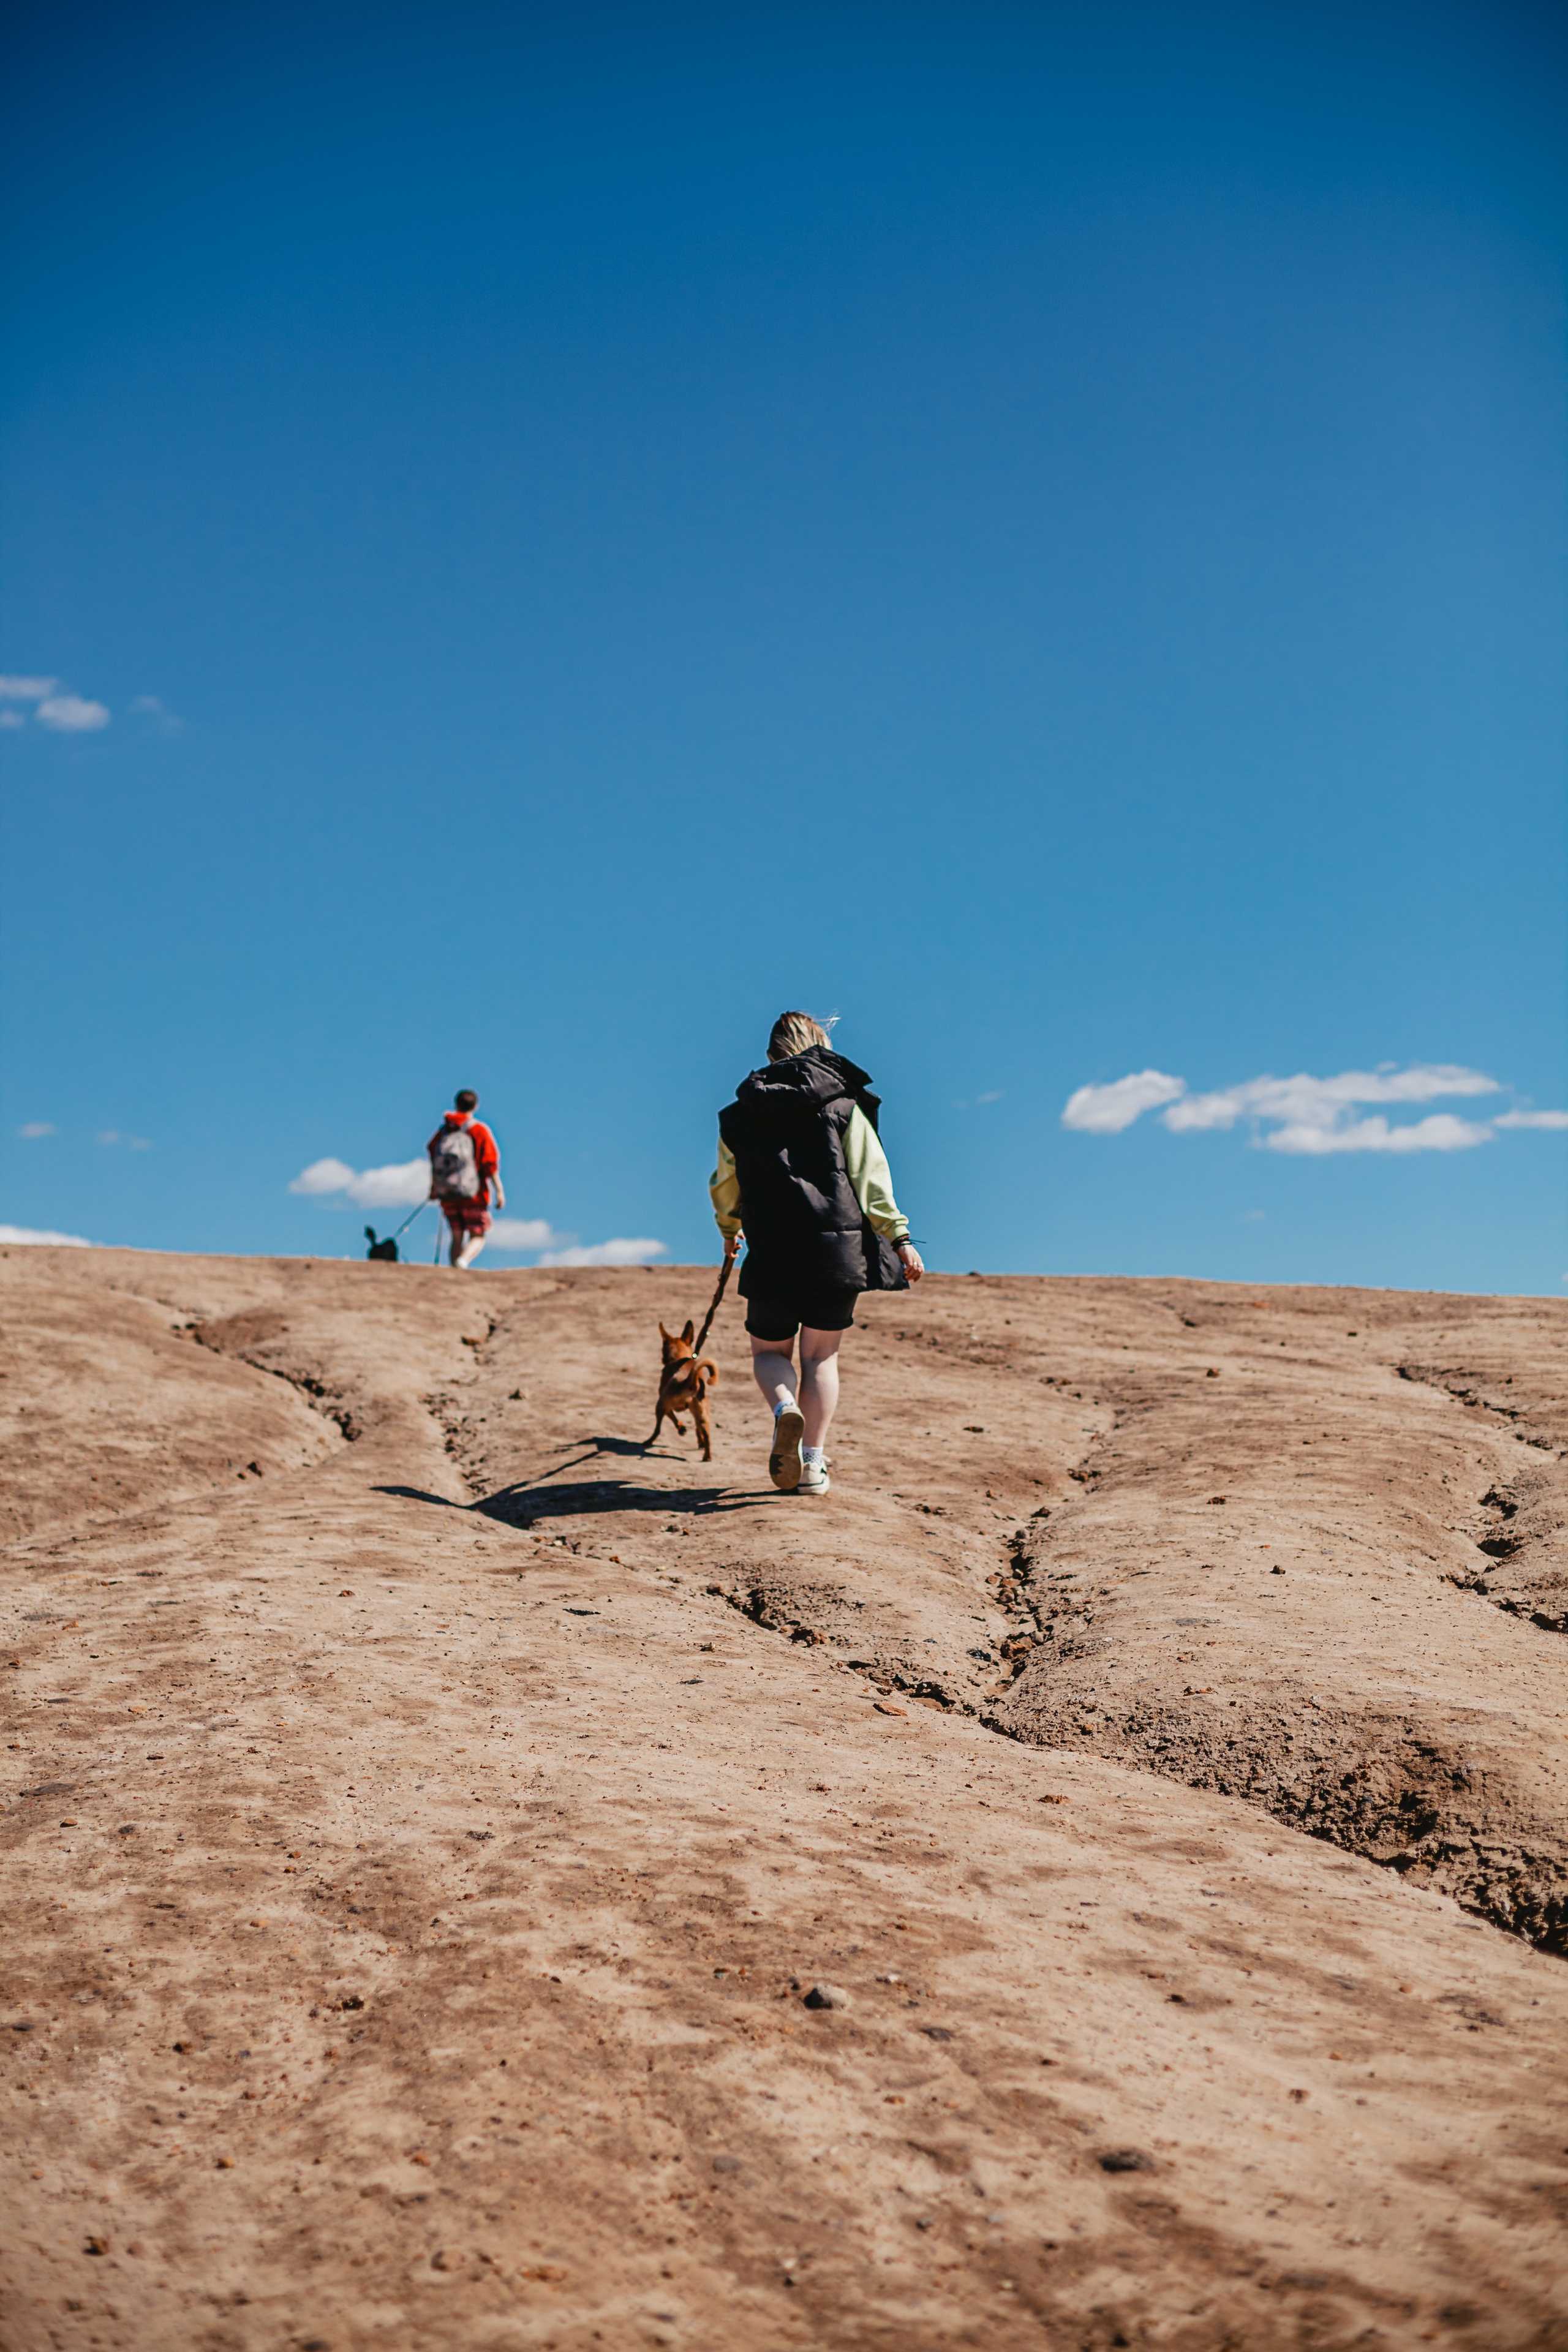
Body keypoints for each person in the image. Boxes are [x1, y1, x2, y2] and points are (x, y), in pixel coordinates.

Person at [709, 1012, 924, 1495]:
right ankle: (812, 1464)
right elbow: (872, 1177)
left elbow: (726, 1183)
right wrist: (900, 1238)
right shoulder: (843, 1104)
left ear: (771, 1056)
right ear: (820, 1047)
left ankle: (785, 1410)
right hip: (838, 1253)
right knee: (822, 1359)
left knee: (769, 1352)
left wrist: (729, 1230)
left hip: (773, 1250)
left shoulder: (738, 1115)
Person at [428, 1088, 505, 1269]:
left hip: (447, 1194)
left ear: (456, 1104)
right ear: (476, 1106)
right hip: (474, 1194)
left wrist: (434, 1188)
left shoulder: (444, 1132)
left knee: (456, 1236)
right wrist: (499, 1191)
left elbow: (433, 1155)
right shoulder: (478, 1130)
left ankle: (455, 1268)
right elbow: (490, 1163)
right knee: (478, 1235)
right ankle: (462, 1262)